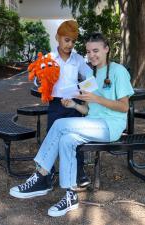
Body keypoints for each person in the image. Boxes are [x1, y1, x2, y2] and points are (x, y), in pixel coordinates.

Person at [9, 32, 134, 217]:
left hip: (110, 127)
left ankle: (41, 175)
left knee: (60, 124)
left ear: (106, 49)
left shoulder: (118, 71)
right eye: (89, 51)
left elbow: (124, 107)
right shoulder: (90, 75)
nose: (92, 55)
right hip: (92, 124)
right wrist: (74, 104)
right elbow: (88, 110)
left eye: (96, 50)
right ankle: (70, 196)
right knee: (67, 140)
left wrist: (96, 98)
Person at [44, 20, 93, 188]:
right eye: (66, 40)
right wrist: (41, 78)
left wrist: (80, 90)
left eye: (72, 41)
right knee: (51, 138)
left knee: (75, 139)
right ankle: (48, 173)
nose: (69, 44)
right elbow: (38, 83)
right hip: (55, 105)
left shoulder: (77, 59)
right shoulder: (49, 59)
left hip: (73, 104)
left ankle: (79, 172)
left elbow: (91, 77)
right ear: (58, 37)